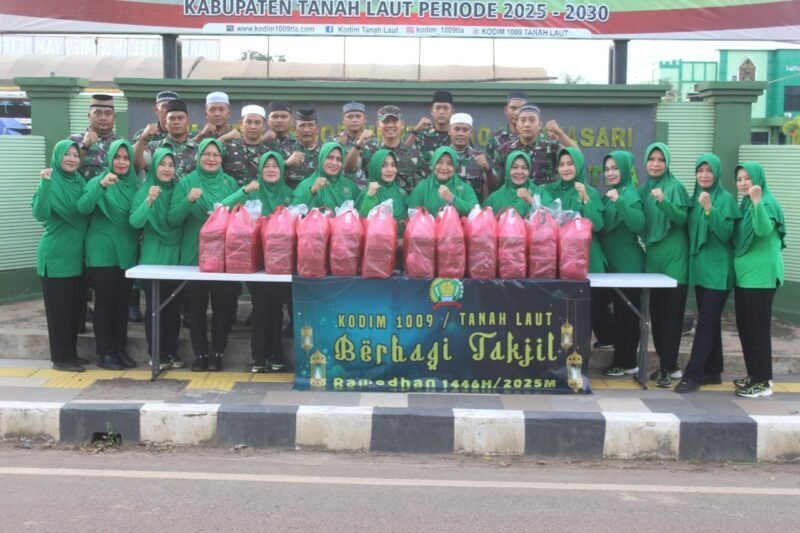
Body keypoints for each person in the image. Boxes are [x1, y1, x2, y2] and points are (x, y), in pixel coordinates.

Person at [168, 139, 257, 372]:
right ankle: (199, 354)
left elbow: (221, 210)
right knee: (196, 309)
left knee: (222, 308)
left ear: (222, 159)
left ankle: (217, 354)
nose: (211, 159)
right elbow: (172, 219)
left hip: (224, 257)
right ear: (197, 157)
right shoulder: (186, 182)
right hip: (194, 255)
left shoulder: (228, 183)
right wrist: (187, 201)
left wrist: (240, 193)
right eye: (206, 154)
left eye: (216, 155)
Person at [675, 154, 741, 393]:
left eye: (708, 170)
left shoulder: (726, 200)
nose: (703, 175)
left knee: (705, 323)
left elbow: (725, 234)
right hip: (701, 271)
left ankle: (693, 375)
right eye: (700, 170)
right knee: (708, 320)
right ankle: (713, 370)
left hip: (719, 272)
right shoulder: (695, 199)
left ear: (717, 173)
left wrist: (709, 208)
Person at [76, 139, 141, 370]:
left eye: (126, 158)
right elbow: (82, 207)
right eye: (117, 157)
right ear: (109, 159)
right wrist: (102, 185)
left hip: (127, 251)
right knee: (104, 304)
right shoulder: (98, 181)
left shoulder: (134, 185)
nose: (122, 162)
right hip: (102, 253)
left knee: (122, 304)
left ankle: (119, 350)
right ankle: (105, 353)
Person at [32, 140, 90, 372]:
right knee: (59, 313)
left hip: (77, 258)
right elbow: (40, 213)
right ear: (57, 157)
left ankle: (71, 354)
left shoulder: (79, 181)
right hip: (56, 258)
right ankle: (61, 358)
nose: (72, 159)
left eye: (75, 155)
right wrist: (45, 184)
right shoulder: (50, 181)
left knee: (74, 312)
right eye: (66, 154)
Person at [732, 162, 786, 398]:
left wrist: (756, 201)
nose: (743, 183)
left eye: (748, 178)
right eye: (739, 179)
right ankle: (755, 373)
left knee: (758, 330)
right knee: (746, 328)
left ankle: (763, 381)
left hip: (761, 278)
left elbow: (763, 230)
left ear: (758, 180)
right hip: (746, 277)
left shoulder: (766, 202)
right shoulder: (745, 205)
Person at [639, 142, 691, 388]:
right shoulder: (645, 189)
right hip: (653, 261)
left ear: (667, 163)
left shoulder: (675, 187)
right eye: (652, 159)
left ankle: (668, 367)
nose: (656, 164)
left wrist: (663, 201)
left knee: (671, 318)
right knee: (656, 317)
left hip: (674, 263)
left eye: (660, 160)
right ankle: (667, 364)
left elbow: (681, 218)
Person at [129, 148, 184, 370]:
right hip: (153, 257)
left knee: (173, 308)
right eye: (163, 164)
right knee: (155, 308)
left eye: (171, 165)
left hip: (175, 257)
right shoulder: (145, 190)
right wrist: (149, 201)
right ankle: (156, 353)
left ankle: (171, 351)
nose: (167, 169)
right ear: (154, 167)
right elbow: (135, 222)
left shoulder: (179, 190)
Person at [597, 151, 645, 377]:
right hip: (610, 264)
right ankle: (615, 349)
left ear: (625, 169)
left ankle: (627, 361)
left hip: (628, 264)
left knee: (627, 315)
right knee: (606, 308)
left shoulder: (630, 194)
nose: (610, 172)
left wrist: (620, 201)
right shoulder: (609, 195)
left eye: (615, 168)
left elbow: (638, 224)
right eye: (607, 169)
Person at [245, 151, 294, 373]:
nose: (272, 169)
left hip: (281, 263)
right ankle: (258, 356)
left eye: (276, 165)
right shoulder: (252, 193)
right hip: (257, 263)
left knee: (277, 308)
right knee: (261, 307)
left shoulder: (289, 194)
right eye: (267, 166)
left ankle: (276, 354)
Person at [344, 105, 426, 196]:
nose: (390, 125)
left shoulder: (413, 154)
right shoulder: (369, 150)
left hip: (403, 207)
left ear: (402, 124)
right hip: (375, 206)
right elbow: (348, 169)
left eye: (394, 121)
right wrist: (358, 146)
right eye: (385, 121)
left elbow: (422, 186)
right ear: (378, 125)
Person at [547, 147, 606, 269]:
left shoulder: (590, 192)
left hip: (587, 255)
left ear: (579, 165)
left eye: (570, 164)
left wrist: (585, 198)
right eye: (561, 165)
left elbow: (598, 225)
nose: (565, 169)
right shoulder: (550, 191)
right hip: (559, 255)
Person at [494, 103, 575, 186]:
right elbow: (495, 183)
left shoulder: (551, 148)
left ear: (539, 125)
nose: (527, 124)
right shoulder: (504, 150)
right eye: (523, 120)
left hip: (545, 197)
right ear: (517, 125)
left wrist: (560, 133)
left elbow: (577, 156)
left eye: (532, 120)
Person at [407, 146, 479, 216]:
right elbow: (412, 217)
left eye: (450, 164)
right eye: (439, 162)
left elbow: (475, 212)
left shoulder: (464, 188)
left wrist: (452, 198)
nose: (444, 168)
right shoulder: (421, 188)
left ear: (455, 166)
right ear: (433, 164)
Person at [136, 99, 198, 179]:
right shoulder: (153, 147)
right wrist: (142, 139)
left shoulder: (198, 149)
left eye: (180, 118)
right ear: (165, 123)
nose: (176, 122)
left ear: (187, 121)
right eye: (172, 118)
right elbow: (137, 165)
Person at [69, 94, 122, 182]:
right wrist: (85, 146)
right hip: (84, 194)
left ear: (114, 117)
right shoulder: (73, 141)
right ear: (89, 116)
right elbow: (65, 172)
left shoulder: (121, 143)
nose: (103, 118)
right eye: (98, 113)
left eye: (108, 113)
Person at [483, 150, 552, 217]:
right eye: (514, 167)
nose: (519, 172)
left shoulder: (541, 194)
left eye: (524, 168)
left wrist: (532, 201)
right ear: (507, 169)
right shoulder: (495, 199)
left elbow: (554, 218)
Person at [356, 149, 408, 235]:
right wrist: (369, 198)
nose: (390, 170)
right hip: (376, 246)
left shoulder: (401, 193)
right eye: (383, 165)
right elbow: (361, 224)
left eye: (393, 165)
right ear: (375, 167)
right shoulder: (368, 193)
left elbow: (410, 224)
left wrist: (403, 240)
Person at [448, 113, 499, 201]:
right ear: (449, 131)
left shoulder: (482, 157)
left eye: (465, 130)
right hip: (446, 210)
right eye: (456, 129)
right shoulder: (441, 156)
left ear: (471, 132)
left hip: (474, 210)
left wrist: (487, 170)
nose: (460, 133)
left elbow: (495, 187)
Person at [292, 142, 358, 209]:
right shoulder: (305, 185)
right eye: (330, 158)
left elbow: (361, 213)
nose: (334, 163)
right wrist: (311, 192)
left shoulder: (349, 185)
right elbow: (293, 211)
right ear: (322, 158)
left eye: (339, 159)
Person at [220, 104, 270, 186]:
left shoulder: (268, 153)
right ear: (241, 123)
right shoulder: (228, 148)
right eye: (248, 122)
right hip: (234, 197)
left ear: (264, 125)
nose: (253, 127)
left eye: (257, 123)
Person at [406, 90, 455, 172]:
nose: (441, 112)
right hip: (425, 183)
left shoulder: (457, 137)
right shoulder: (421, 136)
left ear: (452, 112)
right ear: (432, 111)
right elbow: (403, 157)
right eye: (438, 108)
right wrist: (415, 131)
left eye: (446, 108)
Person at [328, 101, 369, 188]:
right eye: (350, 116)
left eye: (358, 116)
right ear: (343, 120)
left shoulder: (373, 142)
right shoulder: (333, 142)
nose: (354, 120)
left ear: (365, 119)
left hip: (365, 193)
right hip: (338, 191)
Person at [486, 91, 528, 162]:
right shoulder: (495, 139)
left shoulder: (535, 138)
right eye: (513, 108)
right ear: (506, 110)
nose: (516, 112)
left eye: (521, 108)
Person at [285, 108, 322, 188]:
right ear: (295, 129)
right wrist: (286, 165)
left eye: (311, 125)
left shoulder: (325, 154)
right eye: (302, 126)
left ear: (318, 129)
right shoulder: (285, 151)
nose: (306, 130)